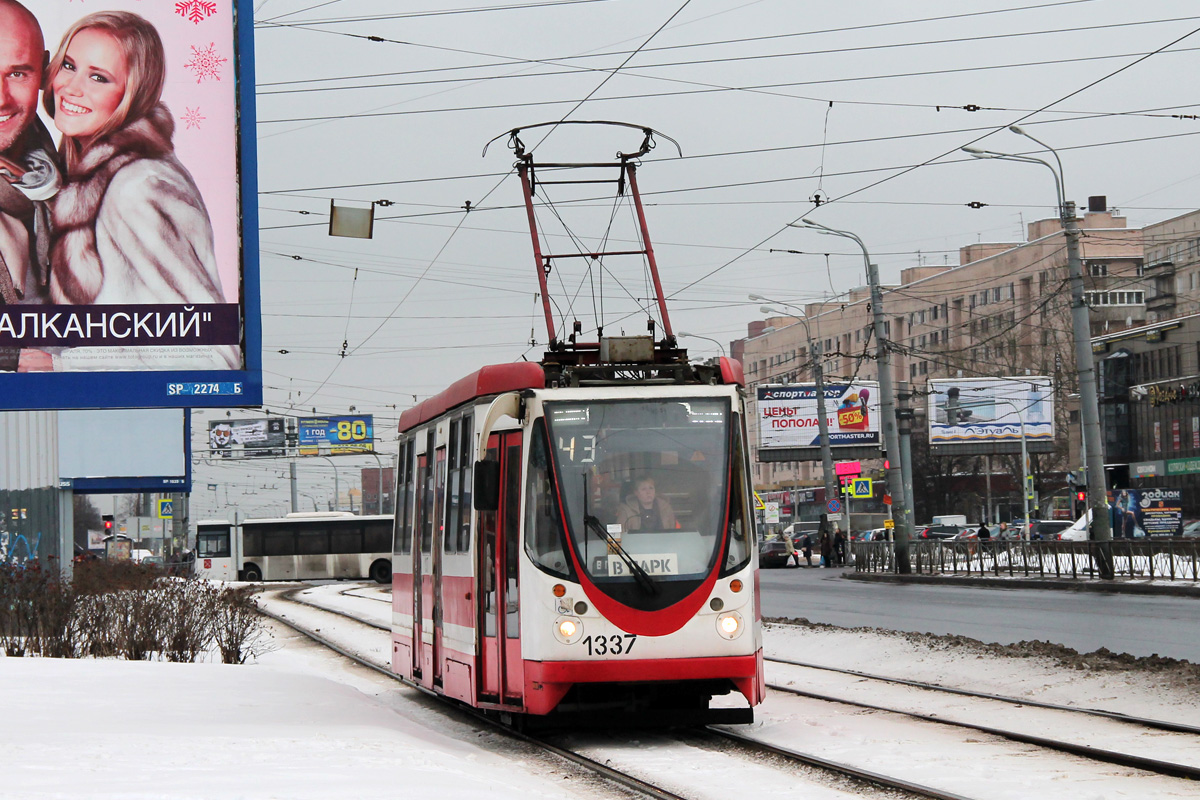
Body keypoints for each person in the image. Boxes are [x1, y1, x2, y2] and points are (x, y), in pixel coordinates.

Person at [27, 11, 235, 370]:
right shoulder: (73, 173)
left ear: (132, 93)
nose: (72, 88)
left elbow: (215, 353)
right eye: (69, 66)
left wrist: (62, 366)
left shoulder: (137, 188)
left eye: (98, 77)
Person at [0, 0, 60, 372]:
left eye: (18, 74)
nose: (2, 99)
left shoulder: (64, 181)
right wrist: (11, 356)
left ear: (45, 71)